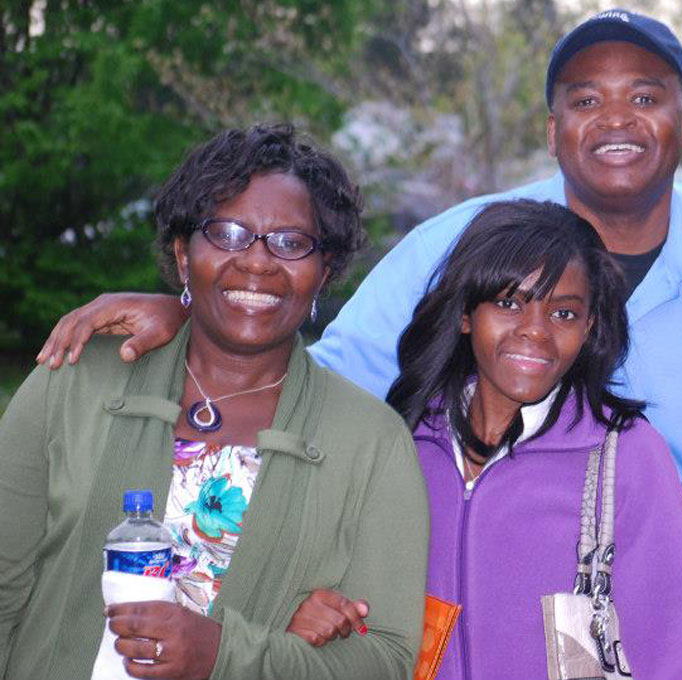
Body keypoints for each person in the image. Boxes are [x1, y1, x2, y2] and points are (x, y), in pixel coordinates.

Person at [35, 8, 682, 475]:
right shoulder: (459, 242)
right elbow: (326, 382)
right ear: (553, 129)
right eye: (585, 99)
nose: (616, 119)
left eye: (647, 97)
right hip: (476, 604)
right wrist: (199, 320)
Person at [0, 125, 429, 680]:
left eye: (291, 242)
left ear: (323, 272)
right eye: (227, 233)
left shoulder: (371, 441)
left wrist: (224, 654)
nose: (257, 261)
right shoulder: (77, 380)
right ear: (184, 255)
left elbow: (387, 658)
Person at [286, 200, 682, 679]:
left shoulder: (625, 453)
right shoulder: (401, 441)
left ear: (589, 328)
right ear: (465, 313)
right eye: (508, 303)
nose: (535, 331)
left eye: (563, 313)